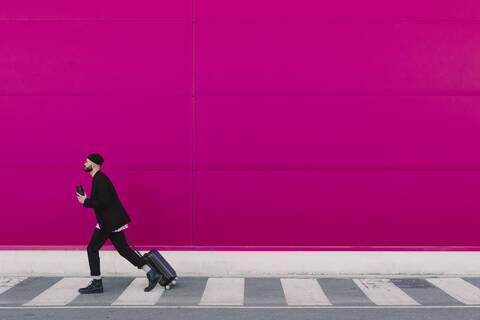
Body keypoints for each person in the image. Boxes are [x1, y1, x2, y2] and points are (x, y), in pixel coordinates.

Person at [76, 153, 162, 293]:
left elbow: (104, 202)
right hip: (110, 221)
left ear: (94, 164)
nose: (84, 164)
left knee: (92, 248)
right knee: (124, 250)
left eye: (87, 162)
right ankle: (151, 272)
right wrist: (87, 200)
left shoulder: (100, 179)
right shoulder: (98, 179)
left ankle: (97, 283)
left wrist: (86, 201)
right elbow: (104, 201)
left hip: (108, 222)